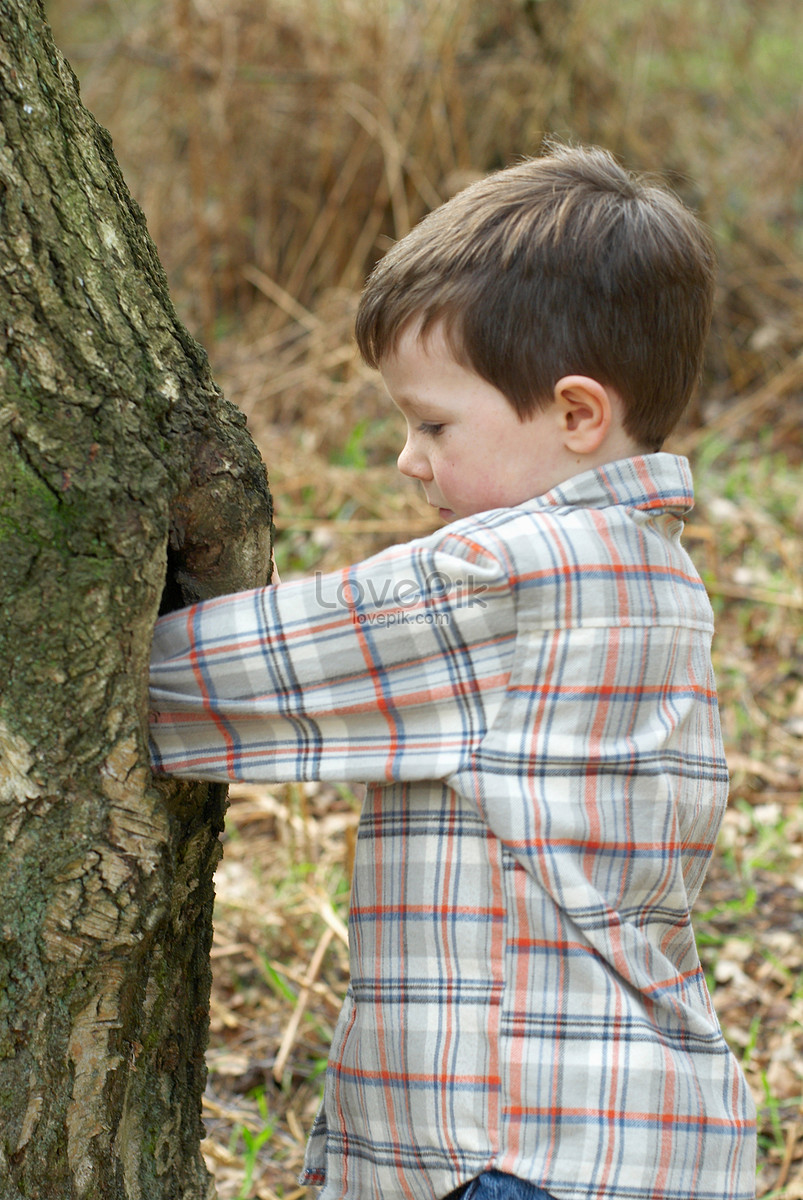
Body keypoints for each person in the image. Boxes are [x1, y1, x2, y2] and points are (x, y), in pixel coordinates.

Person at [149, 142, 757, 1200]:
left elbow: (206, 680)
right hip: (630, 1140)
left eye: (431, 422)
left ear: (576, 415)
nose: (406, 458)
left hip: (514, 1153)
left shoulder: (504, 579)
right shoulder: (657, 577)